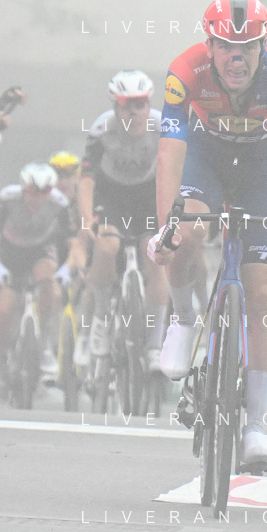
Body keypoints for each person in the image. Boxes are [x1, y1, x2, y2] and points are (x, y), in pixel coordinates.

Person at [149, 0, 267, 472]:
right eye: (225, 46)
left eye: (247, 47)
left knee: (263, 292)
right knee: (188, 233)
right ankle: (184, 319)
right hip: (206, 157)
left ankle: (255, 427)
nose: (236, 58)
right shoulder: (185, 71)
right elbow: (169, 154)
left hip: (264, 166)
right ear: (209, 45)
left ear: (264, 45)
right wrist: (166, 229)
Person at [78, 71, 168, 370]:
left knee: (155, 257)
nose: (134, 112)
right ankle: (102, 318)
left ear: (149, 105)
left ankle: (154, 345)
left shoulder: (163, 127)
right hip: (112, 196)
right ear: (116, 107)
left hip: (148, 195)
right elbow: (86, 180)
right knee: (107, 247)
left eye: (141, 105)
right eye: (127, 105)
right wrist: (86, 220)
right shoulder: (101, 130)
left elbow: (178, 170)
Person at [0, 163, 84, 377]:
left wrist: (67, 268)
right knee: (4, 311)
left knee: (50, 285)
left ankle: (45, 344)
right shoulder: (7, 199)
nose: (37, 200)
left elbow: (74, 245)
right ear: (23, 189)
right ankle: (1, 354)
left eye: (43, 194)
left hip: (40, 250)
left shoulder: (59, 203)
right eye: (32, 193)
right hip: (11, 253)